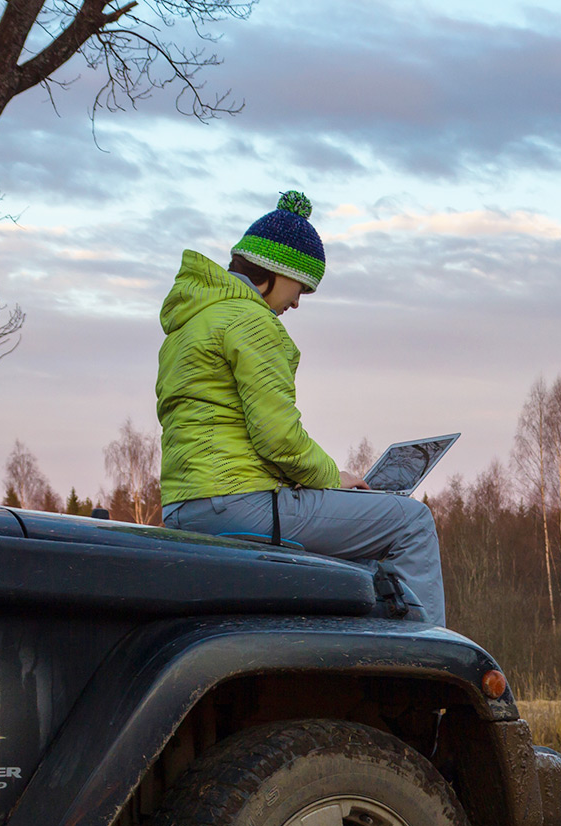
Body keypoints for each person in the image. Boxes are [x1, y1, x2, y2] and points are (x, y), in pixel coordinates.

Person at [155, 190, 447, 625]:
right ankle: (428, 655)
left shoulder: (193, 322)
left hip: (185, 505)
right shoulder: (251, 321)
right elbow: (279, 439)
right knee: (411, 522)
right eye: (300, 287)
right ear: (274, 273)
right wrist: (334, 480)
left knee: (363, 550)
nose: (296, 302)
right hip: (239, 503)